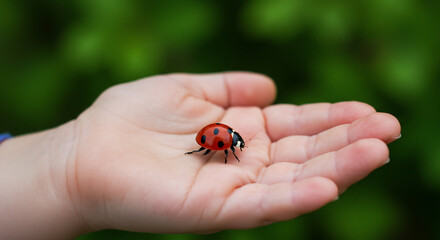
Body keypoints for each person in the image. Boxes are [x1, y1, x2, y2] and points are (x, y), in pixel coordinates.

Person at [0, 72, 401, 239]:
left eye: (234, 145)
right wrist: (65, 168)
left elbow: (223, 142)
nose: (235, 148)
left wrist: (63, 169)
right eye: (235, 146)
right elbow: (221, 144)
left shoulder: (227, 139)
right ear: (233, 143)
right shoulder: (224, 142)